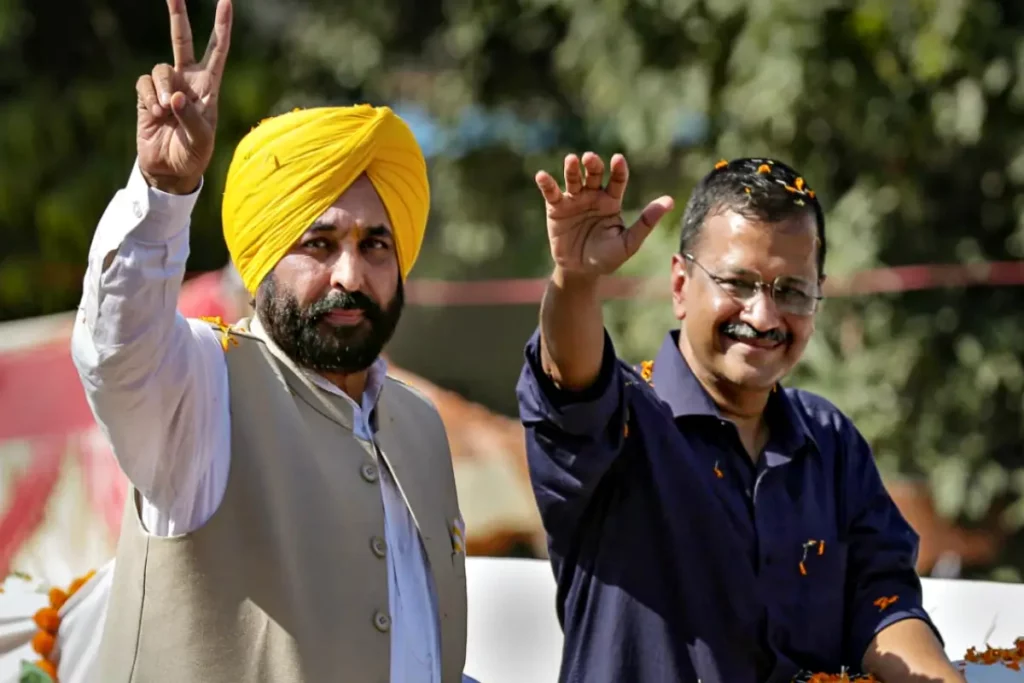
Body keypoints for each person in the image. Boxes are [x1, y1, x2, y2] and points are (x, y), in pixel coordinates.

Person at [70, 0, 471, 680]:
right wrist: (164, 192)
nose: (351, 274)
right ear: (258, 263)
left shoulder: (421, 426)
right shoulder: (200, 390)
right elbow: (118, 348)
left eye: (376, 245)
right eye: (318, 243)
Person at [516, 153, 965, 682]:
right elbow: (569, 377)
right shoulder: (623, 420)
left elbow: (883, 605)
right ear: (680, 285)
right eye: (738, 283)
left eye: (792, 291)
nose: (764, 316)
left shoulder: (830, 441)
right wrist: (575, 278)